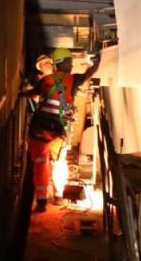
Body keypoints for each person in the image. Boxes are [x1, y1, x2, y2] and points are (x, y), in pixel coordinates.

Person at [22, 48, 99, 212]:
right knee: (58, 164)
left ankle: (41, 202)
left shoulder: (45, 80)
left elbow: (33, 93)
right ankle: (58, 196)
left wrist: (20, 94)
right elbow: (90, 72)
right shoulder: (73, 80)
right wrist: (98, 61)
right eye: (70, 62)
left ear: (54, 65)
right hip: (58, 132)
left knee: (40, 165)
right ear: (66, 63)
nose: (71, 65)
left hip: (39, 130)